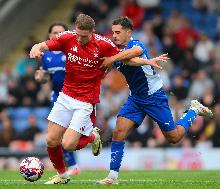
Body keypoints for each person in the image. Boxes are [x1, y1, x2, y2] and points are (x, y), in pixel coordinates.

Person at [30, 14, 167, 184]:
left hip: (85, 101)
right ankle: (62, 176)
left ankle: (92, 137)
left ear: (92, 32)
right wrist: (36, 48)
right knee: (51, 140)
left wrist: (146, 61)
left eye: (84, 36)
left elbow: (127, 59)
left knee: (68, 145)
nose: (79, 39)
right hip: (65, 96)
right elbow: (44, 45)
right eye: (77, 35)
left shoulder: (103, 44)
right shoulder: (67, 38)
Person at [96, 17, 213, 185]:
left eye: (118, 32)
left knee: (174, 137)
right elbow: (126, 61)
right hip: (135, 98)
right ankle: (112, 177)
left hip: (154, 97)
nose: (114, 35)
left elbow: (133, 54)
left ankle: (193, 110)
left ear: (128, 33)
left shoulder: (137, 44)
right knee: (118, 132)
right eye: (113, 32)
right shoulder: (116, 52)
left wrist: (111, 59)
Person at [35, 22, 81, 175]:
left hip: (76, 97)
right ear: (49, 36)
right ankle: (72, 166)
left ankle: (90, 139)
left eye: (61, 32)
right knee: (57, 136)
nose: (58, 35)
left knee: (70, 134)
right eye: (55, 32)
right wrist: (40, 77)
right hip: (57, 99)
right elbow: (45, 77)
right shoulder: (46, 56)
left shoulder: (73, 51)